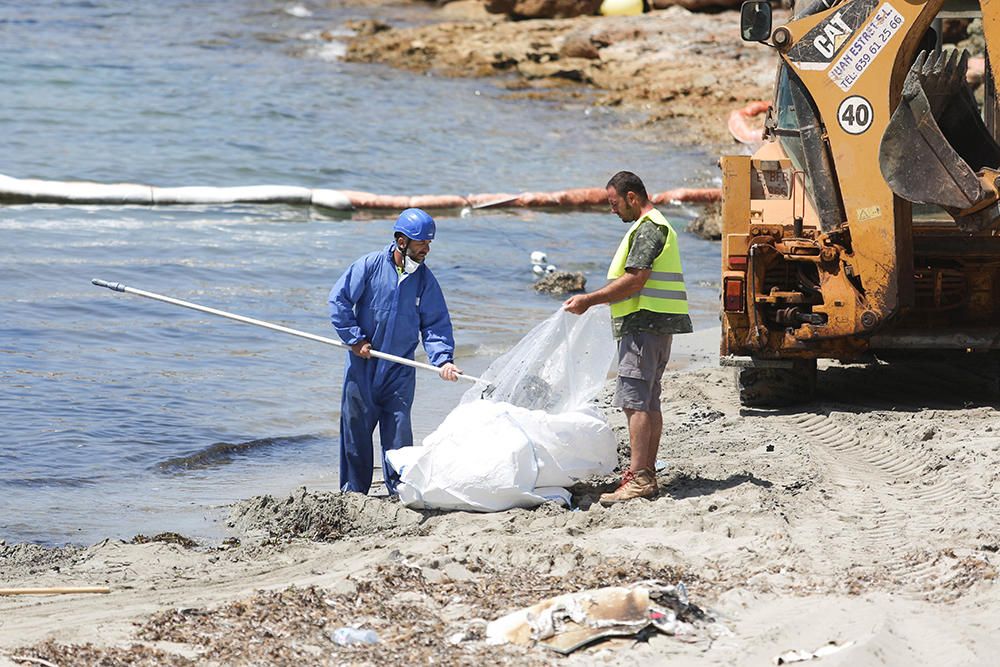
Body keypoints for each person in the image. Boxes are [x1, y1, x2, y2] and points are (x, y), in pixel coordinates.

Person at [563, 171, 692, 504]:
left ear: (632, 197)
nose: (612, 210)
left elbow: (635, 280)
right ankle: (645, 473)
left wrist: (588, 299)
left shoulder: (649, 228)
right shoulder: (659, 225)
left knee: (634, 401)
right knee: (648, 400)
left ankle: (639, 478)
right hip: (656, 324)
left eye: (614, 203)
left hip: (644, 324)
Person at [329, 208, 461, 495]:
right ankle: (353, 494)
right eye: (421, 243)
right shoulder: (369, 266)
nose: (426, 248)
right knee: (355, 433)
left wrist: (444, 360)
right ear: (402, 241)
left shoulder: (425, 281)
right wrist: (354, 339)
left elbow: (436, 324)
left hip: (399, 370)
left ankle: (400, 491)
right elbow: (339, 301)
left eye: (429, 243)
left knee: (399, 433)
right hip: (362, 365)